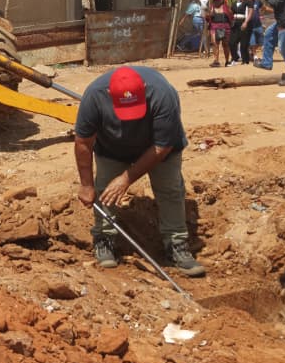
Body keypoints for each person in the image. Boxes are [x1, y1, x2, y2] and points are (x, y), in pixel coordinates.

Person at [74, 65, 206, 277]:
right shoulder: (95, 96)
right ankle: (104, 239)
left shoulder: (163, 94)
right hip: (112, 146)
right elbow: (83, 143)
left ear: (144, 89)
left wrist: (126, 178)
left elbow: (163, 146)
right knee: (104, 190)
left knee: (170, 189)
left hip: (158, 146)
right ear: (110, 95)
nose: (130, 117)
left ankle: (176, 244)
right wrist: (86, 185)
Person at [229, 0, 256, 65]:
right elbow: (231, 12)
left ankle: (245, 60)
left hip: (244, 23)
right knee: (232, 42)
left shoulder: (249, 2)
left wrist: (246, 22)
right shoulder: (234, 3)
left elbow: (250, 12)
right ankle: (235, 58)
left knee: (244, 44)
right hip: (235, 24)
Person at [206, 0, 232, 67]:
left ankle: (227, 61)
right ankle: (216, 61)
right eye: (215, 0)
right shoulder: (212, 7)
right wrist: (208, 16)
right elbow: (208, 18)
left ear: (222, 0)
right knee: (215, 44)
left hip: (225, 27)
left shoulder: (226, 8)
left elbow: (231, 17)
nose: (216, 1)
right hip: (214, 27)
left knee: (225, 45)